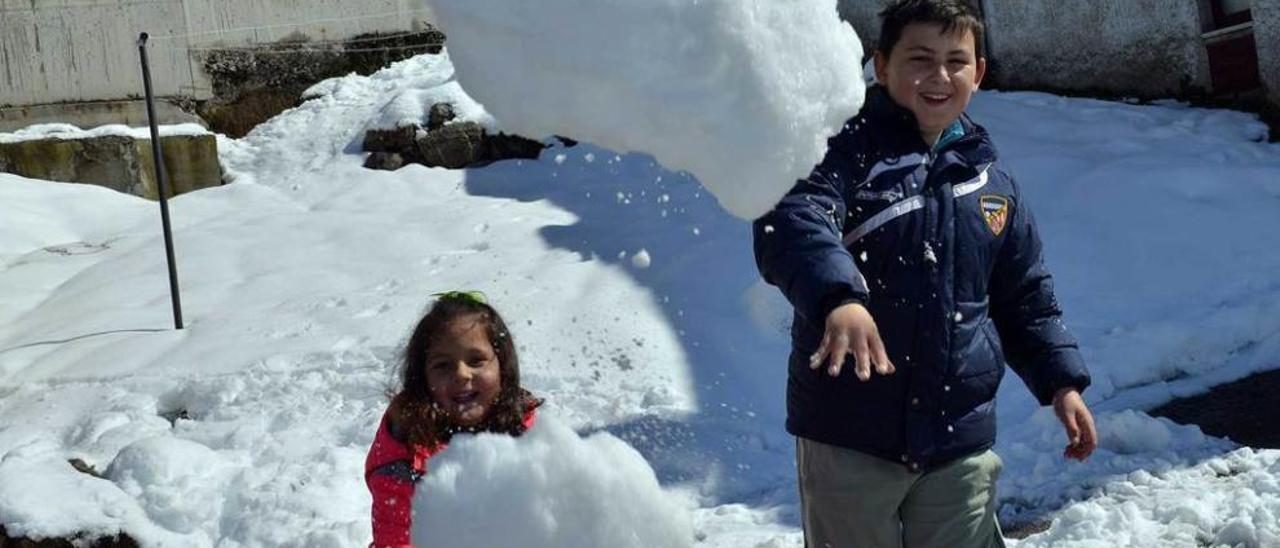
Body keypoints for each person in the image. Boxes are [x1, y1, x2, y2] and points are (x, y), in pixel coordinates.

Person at [752, 1, 1097, 546]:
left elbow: (1024, 296)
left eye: (956, 61)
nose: (939, 77)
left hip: (958, 436)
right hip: (849, 438)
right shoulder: (839, 151)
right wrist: (840, 299)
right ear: (882, 65)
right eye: (919, 59)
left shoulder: (990, 182)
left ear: (978, 73)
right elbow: (794, 218)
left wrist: (1060, 383)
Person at [365, 291, 542, 548]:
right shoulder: (405, 451)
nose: (461, 374)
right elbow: (396, 540)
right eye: (443, 365)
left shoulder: (524, 428)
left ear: (502, 366)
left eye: (476, 360)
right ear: (423, 378)